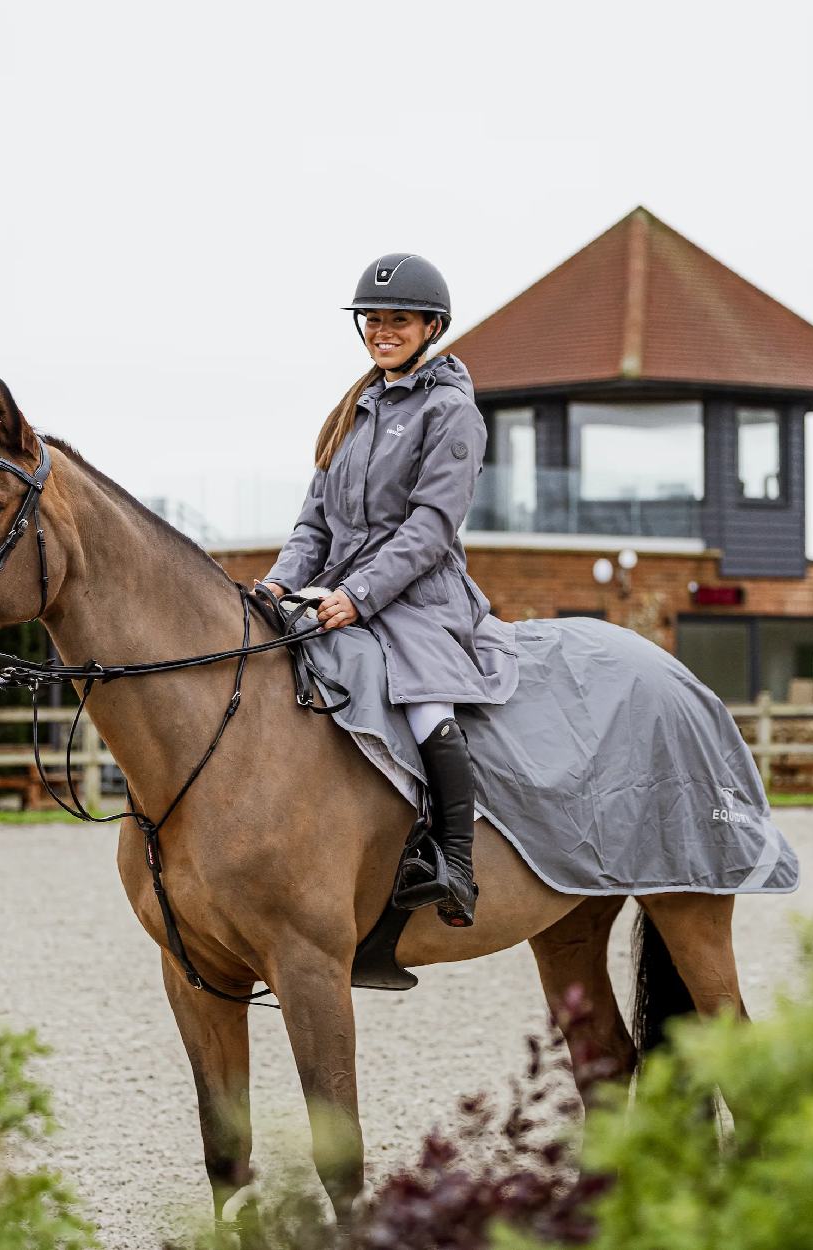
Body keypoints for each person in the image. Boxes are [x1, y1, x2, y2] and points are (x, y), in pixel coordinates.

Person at [259, 254, 519, 927]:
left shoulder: (451, 411)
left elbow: (431, 527)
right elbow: (314, 519)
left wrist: (359, 596)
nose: (382, 330)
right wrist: (281, 582)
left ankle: (455, 862)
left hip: (419, 598)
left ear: (431, 325)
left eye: (396, 320)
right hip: (341, 588)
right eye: (372, 320)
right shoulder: (354, 411)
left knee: (427, 703)